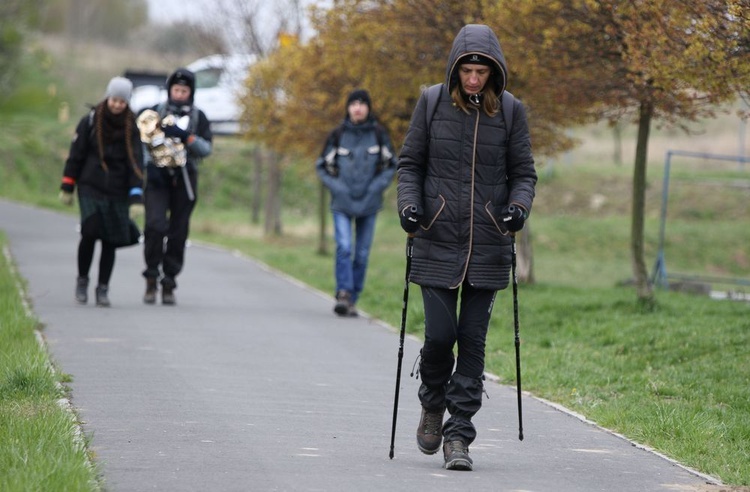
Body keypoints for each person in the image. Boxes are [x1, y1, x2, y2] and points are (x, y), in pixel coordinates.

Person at [396, 24, 537, 471]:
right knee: (440, 337)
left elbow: (525, 174)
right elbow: (409, 164)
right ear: (455, 69)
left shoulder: (511, 112)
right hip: (437, 241)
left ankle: (459, 436)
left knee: (472, 344)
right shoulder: (432, 101)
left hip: (489, 248)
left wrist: (518, 207)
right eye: (467, 70)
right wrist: (410, 207)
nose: (473, 79)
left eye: (481, 71)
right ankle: (432, 402)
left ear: (493, 72)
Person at [59, 76, 145, 307]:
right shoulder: (89, 121)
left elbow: (136, 163)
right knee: (90, 232)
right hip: (90, 185)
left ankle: (103, 288)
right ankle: (82, 280)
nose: (117, 105)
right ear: (108, 97)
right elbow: (76, 154)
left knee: (110, 240)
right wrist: (68, 184)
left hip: (117, 189)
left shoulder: (132, 128)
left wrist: (136, 195)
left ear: (127, 103)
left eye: (122, 102)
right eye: (114, 100)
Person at [315, 89, 398, 317]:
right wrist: (337, 187)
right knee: (344, 247)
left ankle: (353, 298)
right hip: (342, 201)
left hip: (369, 202)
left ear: (369, 108)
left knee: (361, 252)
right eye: (354, 103)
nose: (358, 107)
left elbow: (392, 164)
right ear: (348, 107)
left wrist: (375, 187)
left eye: (362, 103)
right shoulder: (338, 134)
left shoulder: (379, 134)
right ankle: (343, 292)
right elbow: (322, 165)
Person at [140, 68, 212, 305]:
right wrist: (150, 166)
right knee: (154, 226)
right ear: (169, 90)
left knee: (178, 232)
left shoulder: (198, 117)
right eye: (176, 90)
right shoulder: (155, 113)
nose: (180, 94)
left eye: (184, 90)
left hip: (185, 178)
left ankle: (169, 281)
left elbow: (206, 149)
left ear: (191, 93)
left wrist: (186, 137)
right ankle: (151, 275)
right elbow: (143, 143)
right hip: (158, 178)